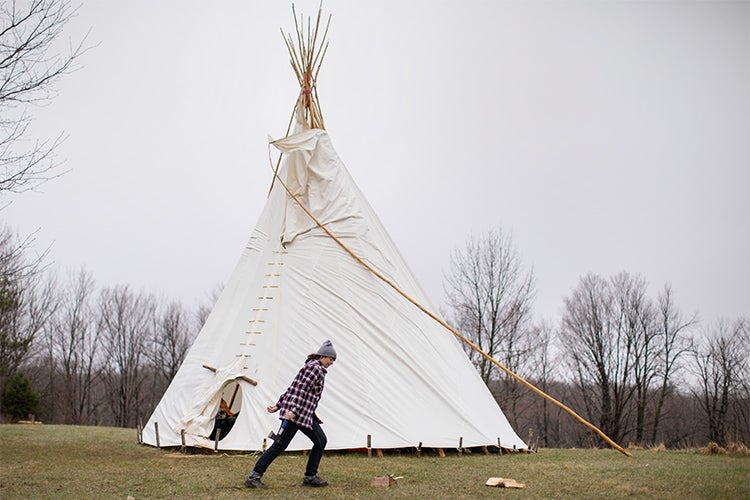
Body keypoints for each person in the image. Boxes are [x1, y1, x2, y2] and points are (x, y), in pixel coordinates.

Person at [244, 340, 337, 489]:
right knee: (279, 445)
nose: (332, 363)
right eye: (331, 359)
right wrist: (293, 411)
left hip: (304, 414)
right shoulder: (315, 369)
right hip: (297, 414)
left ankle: (310, 477)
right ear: (323, 356)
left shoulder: (311, 367)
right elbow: (301, 391)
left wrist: (278, 405)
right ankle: (254, 476)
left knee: (320, 441)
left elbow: (293, 388)